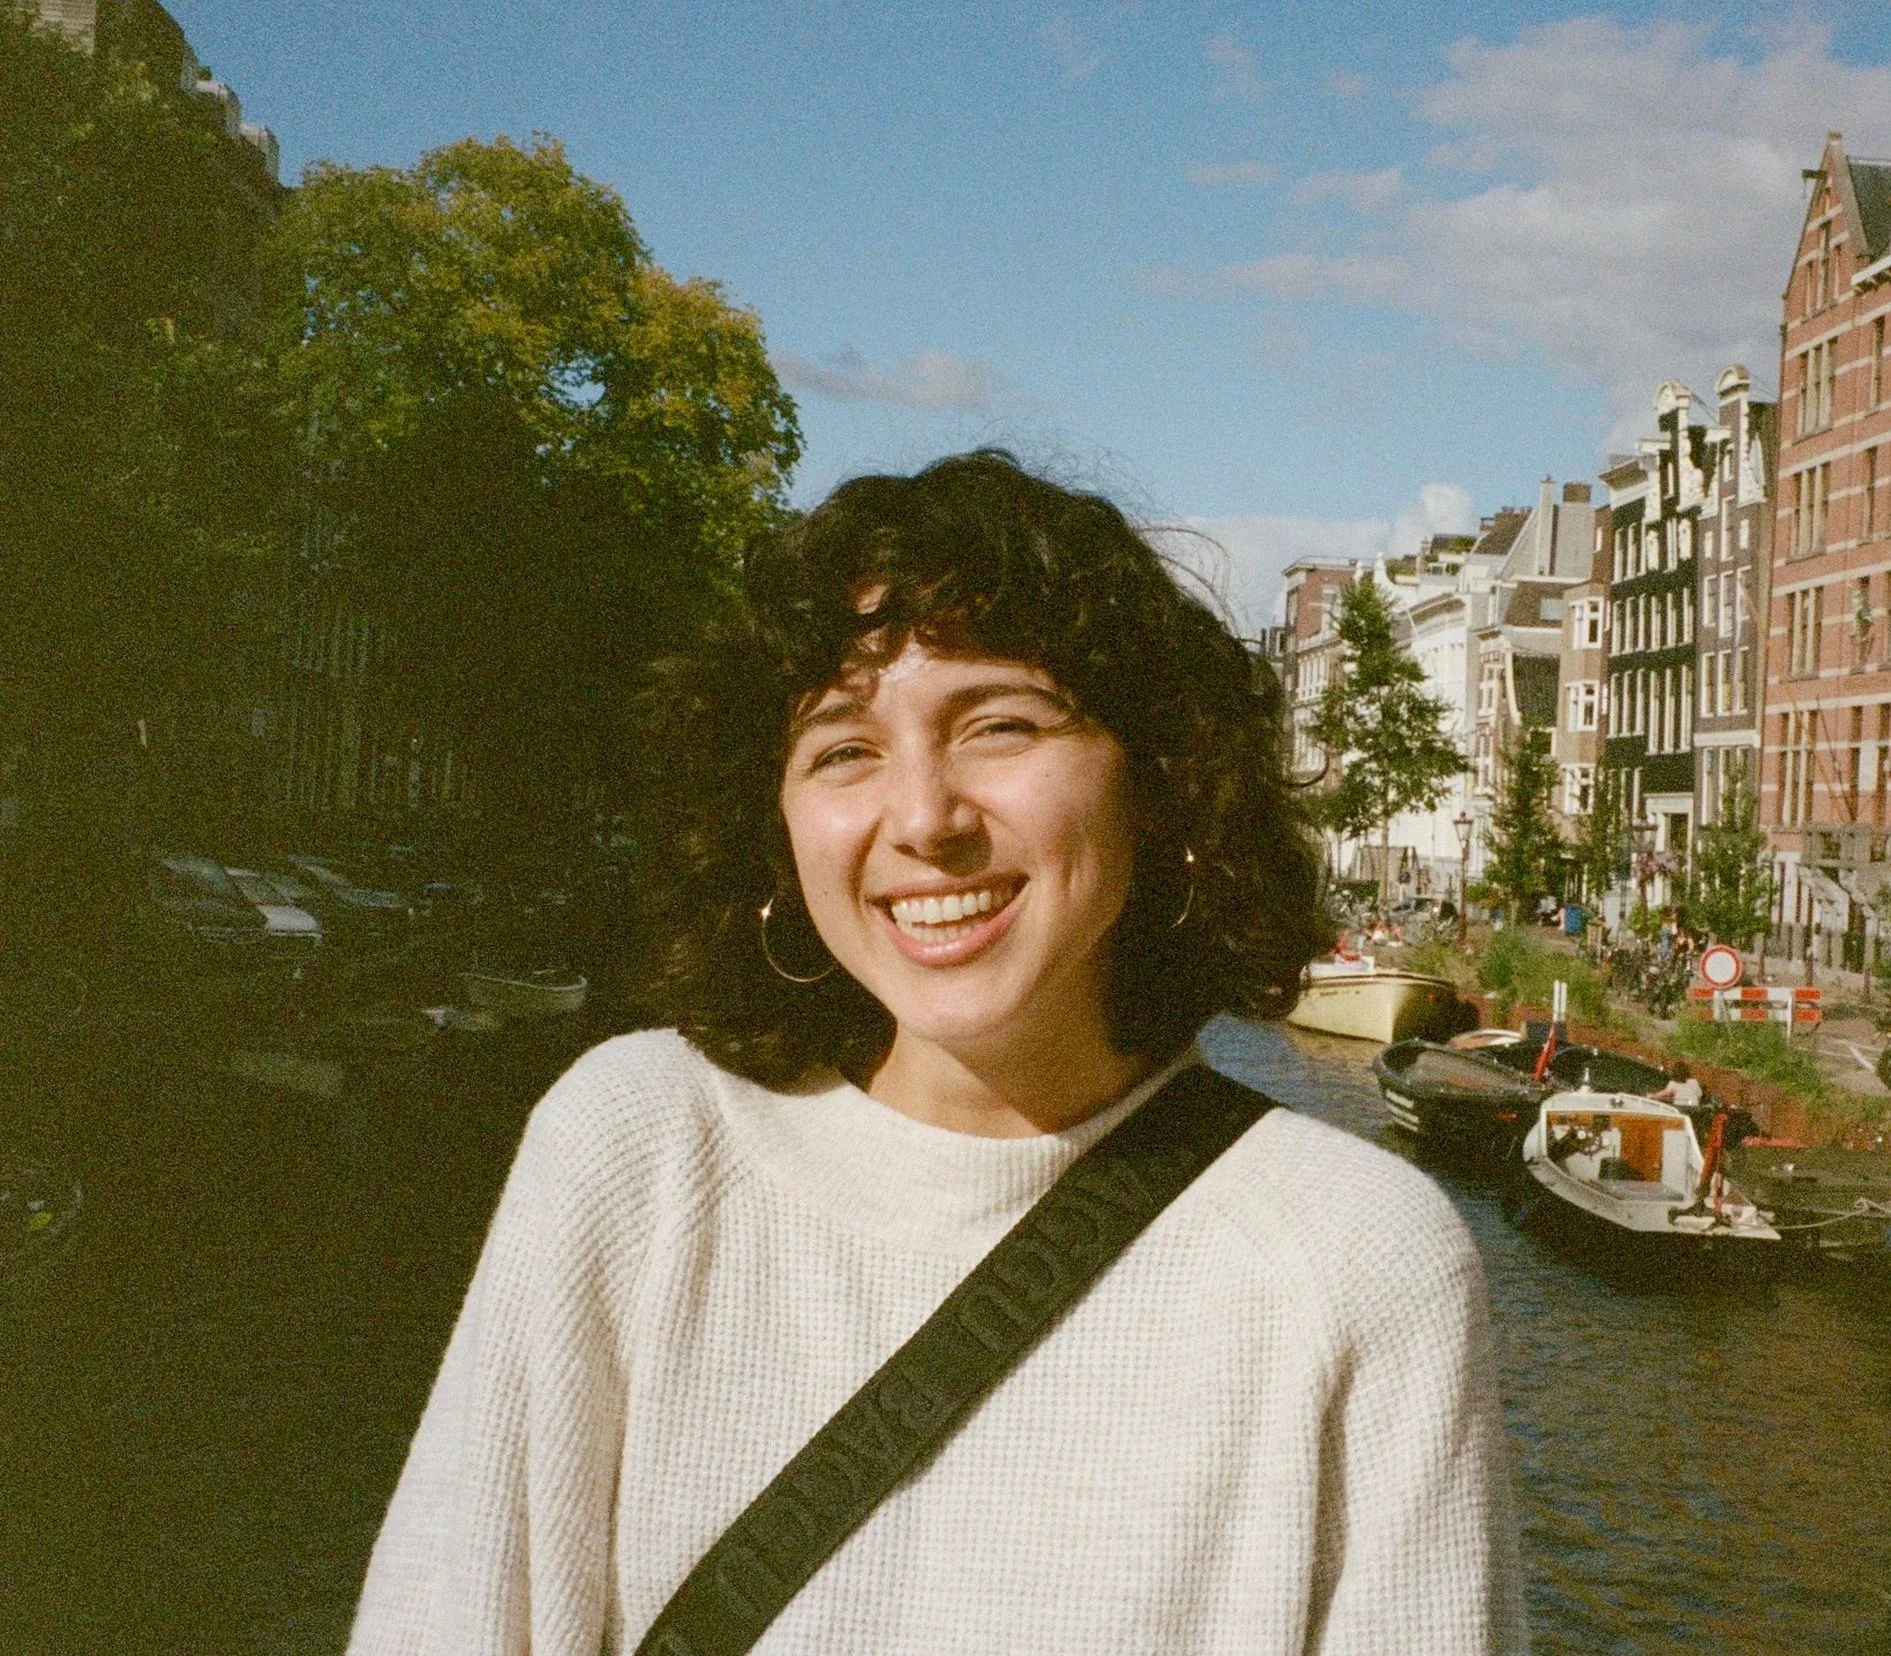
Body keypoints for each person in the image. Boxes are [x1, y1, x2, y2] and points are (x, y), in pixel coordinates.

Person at [348, 452, 1524, 1654]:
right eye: (843, 750)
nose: (923, 819)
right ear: (775, 827)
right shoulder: (634, 1150)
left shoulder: (1356, 1264)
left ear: (1158, 782)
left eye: (999, 726)